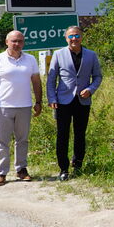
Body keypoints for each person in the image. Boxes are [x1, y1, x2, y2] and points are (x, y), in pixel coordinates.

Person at [0, 30, 42, 186]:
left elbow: (36, 82)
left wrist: (39, 101)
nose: (17, 44)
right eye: (14, 41)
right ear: (7, 42)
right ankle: (1, 172)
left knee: (22, 140)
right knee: (2, 141)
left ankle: (21, 169)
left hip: (24, 105)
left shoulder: (30, 59)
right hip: (4, 106)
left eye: (20, 41)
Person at [47, 26, 103, 181]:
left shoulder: (91, 55)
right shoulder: (58, 54)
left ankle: (77, 164)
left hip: (82, 101)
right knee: (62, 135)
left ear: (81, 37)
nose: (74, 39)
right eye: (71, 36)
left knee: (80, 134)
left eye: (77, 36)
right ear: (66, 39)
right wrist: (51, 98)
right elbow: (51, 79)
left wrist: (90, 89)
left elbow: (98, 76)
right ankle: (63, 168)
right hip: (63, 101)